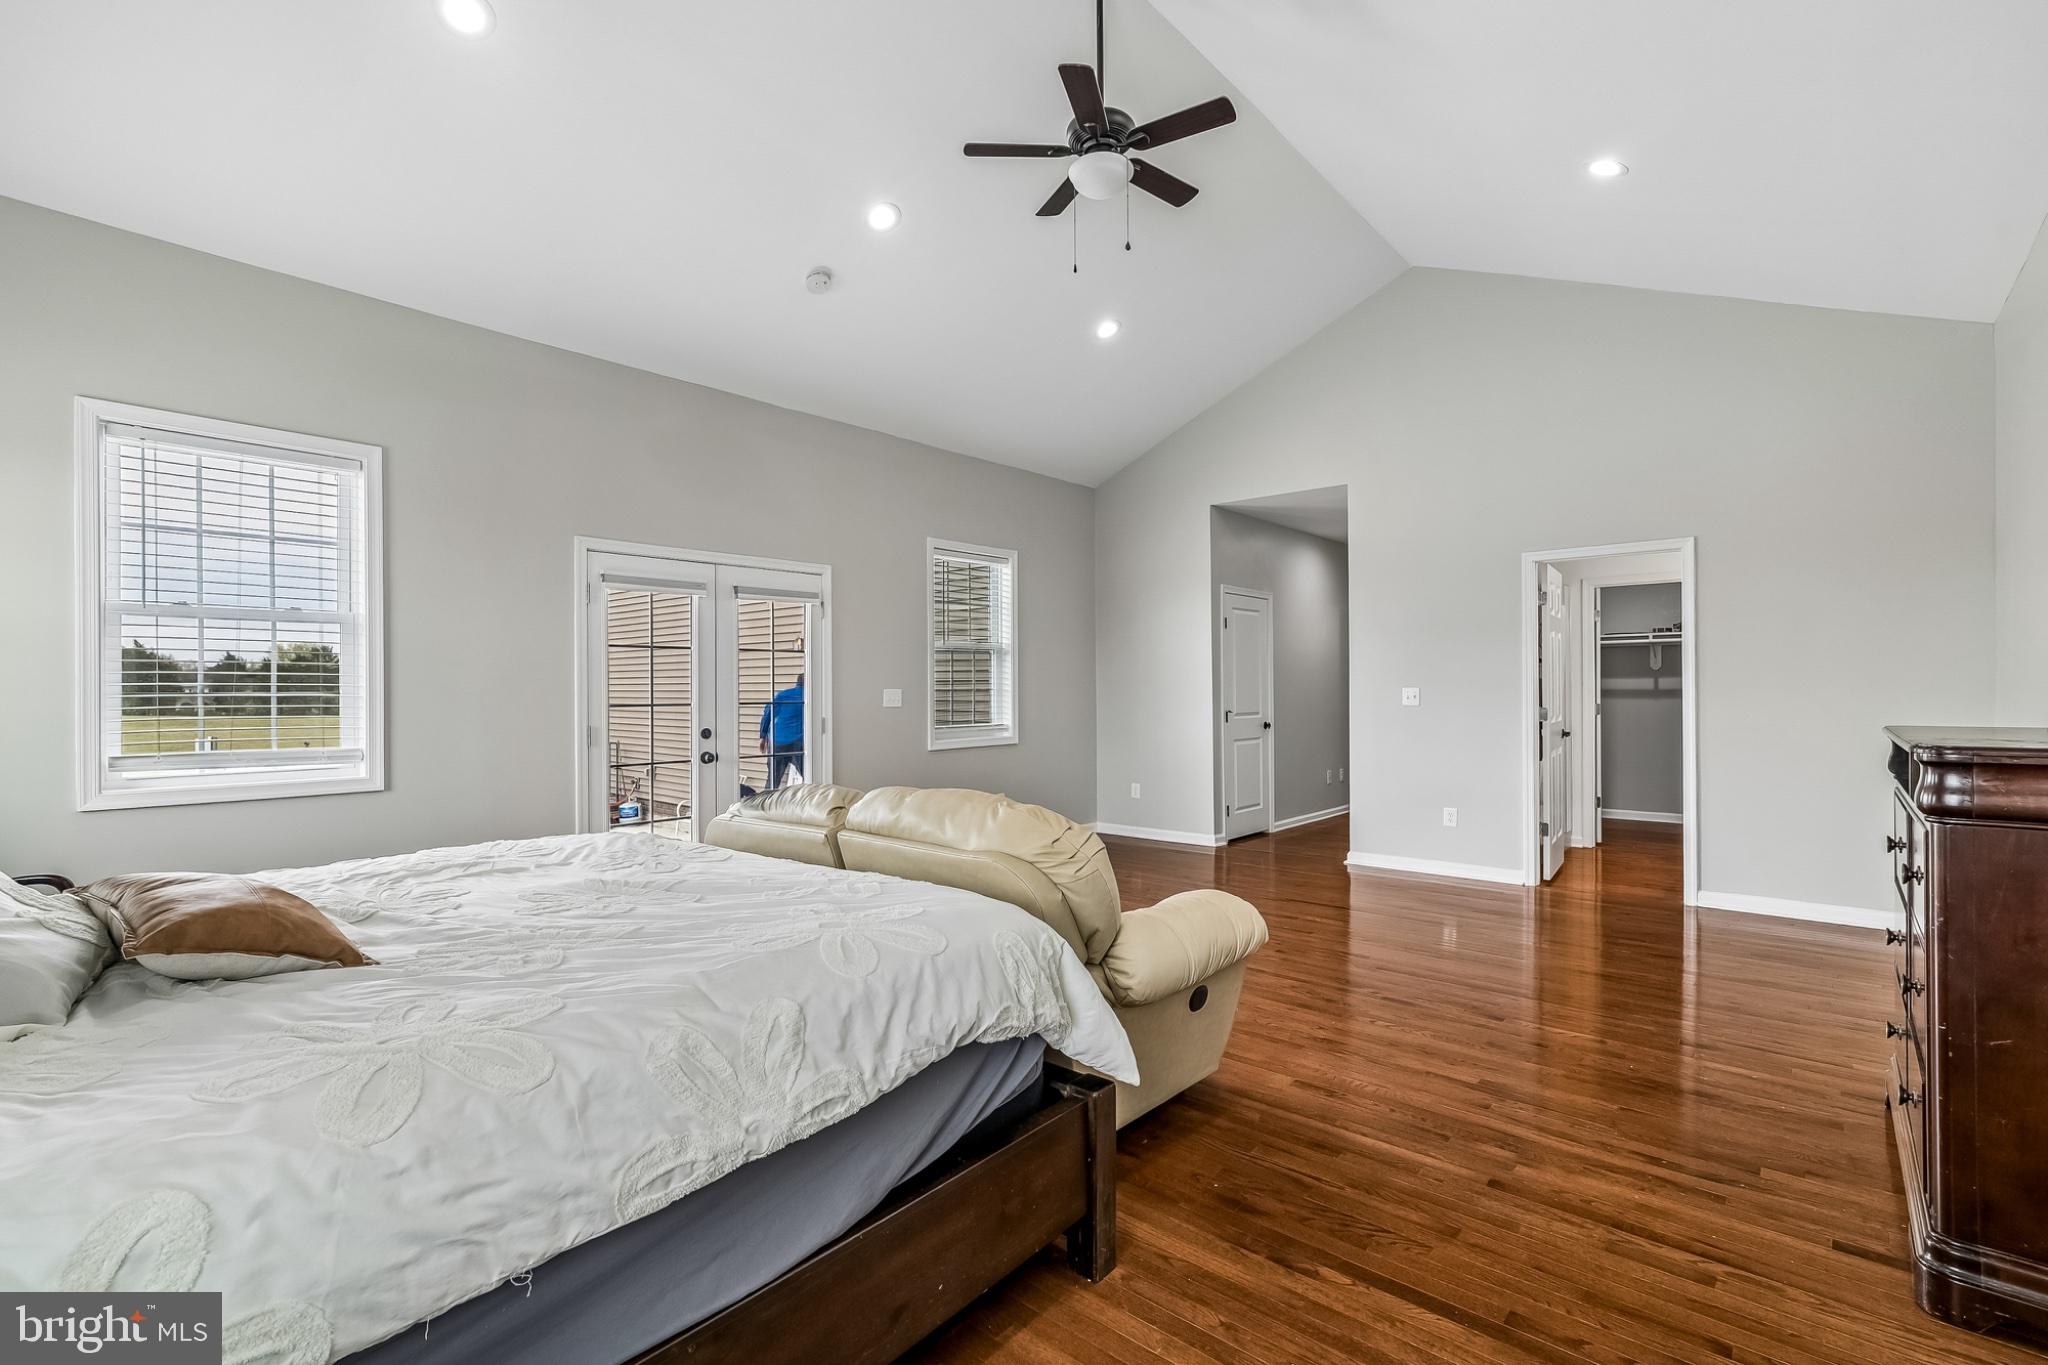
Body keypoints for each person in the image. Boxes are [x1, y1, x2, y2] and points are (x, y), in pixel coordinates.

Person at [758, 672, 805, 789]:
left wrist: (762, 736)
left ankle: (766, 799)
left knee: (773, 780)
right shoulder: (811, 697)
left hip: (778, 741)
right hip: (799, 743)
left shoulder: (782, 695)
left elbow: (767, 714)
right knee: (810, 775)